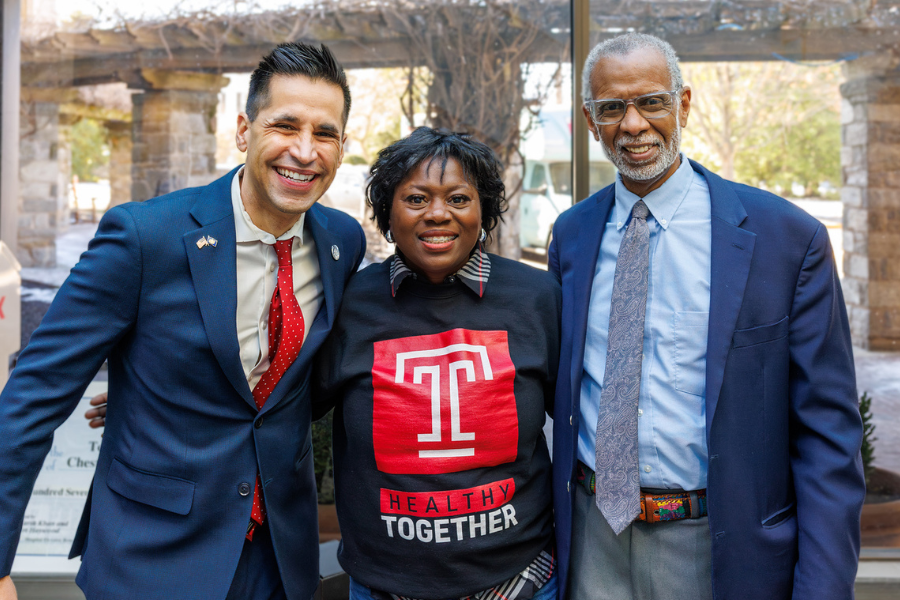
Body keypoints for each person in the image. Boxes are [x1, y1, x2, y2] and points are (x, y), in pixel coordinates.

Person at [0, 42, 365, 600]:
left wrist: (159, 394)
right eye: (285, 125)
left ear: (341, 146)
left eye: (325, 133)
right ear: (244, 131)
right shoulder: (144, 238)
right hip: (152, 556)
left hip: (279, 560)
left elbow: (294, 387)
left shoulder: (343, 241)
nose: (304, 150)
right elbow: (32, 396)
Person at [549, 33, 864, 600]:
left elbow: (827, 437)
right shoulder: (570, 236)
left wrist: (822, 588)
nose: (634, 124)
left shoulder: (786, 240)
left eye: (651, 101)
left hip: (719, 550)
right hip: (590, 542)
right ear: (591, 123)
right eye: (612, 108)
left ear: (684, 105)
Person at [313, 127, 561, 600]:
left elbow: (573, 422)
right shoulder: (349, 303)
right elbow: (292, 420)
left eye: (459, 198)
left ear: (483, 209)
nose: (438, 214)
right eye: (417, 198)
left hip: (518, 582)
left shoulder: (536, 299)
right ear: (388, 212)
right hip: (384, 585)